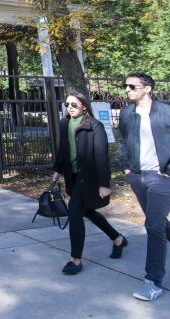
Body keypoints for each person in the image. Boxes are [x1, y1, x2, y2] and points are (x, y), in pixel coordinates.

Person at [119, 72, 170, 302]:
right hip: (137, 176)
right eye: (126, 86)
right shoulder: (127, 113)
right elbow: (123, 141)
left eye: (132, 86)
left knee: (153, 225)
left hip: (162, 178)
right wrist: (126, 166)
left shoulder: (169, 112)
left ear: (147, 88)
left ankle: (153, 281)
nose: (127, 90)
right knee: (158, 223)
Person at [52, 92, 127, 275]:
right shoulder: (65, 123)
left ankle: (75, 260)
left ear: (84, 106)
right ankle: (117, 239)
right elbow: (63, 149)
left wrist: (104, 184)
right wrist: (57, 169)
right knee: (87, 212)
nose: (69, 107)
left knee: (75, 212)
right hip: (73, 177)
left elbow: (101, 157)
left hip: (90, 178)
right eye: (67, 104)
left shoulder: (95, 126)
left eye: (74, 105)